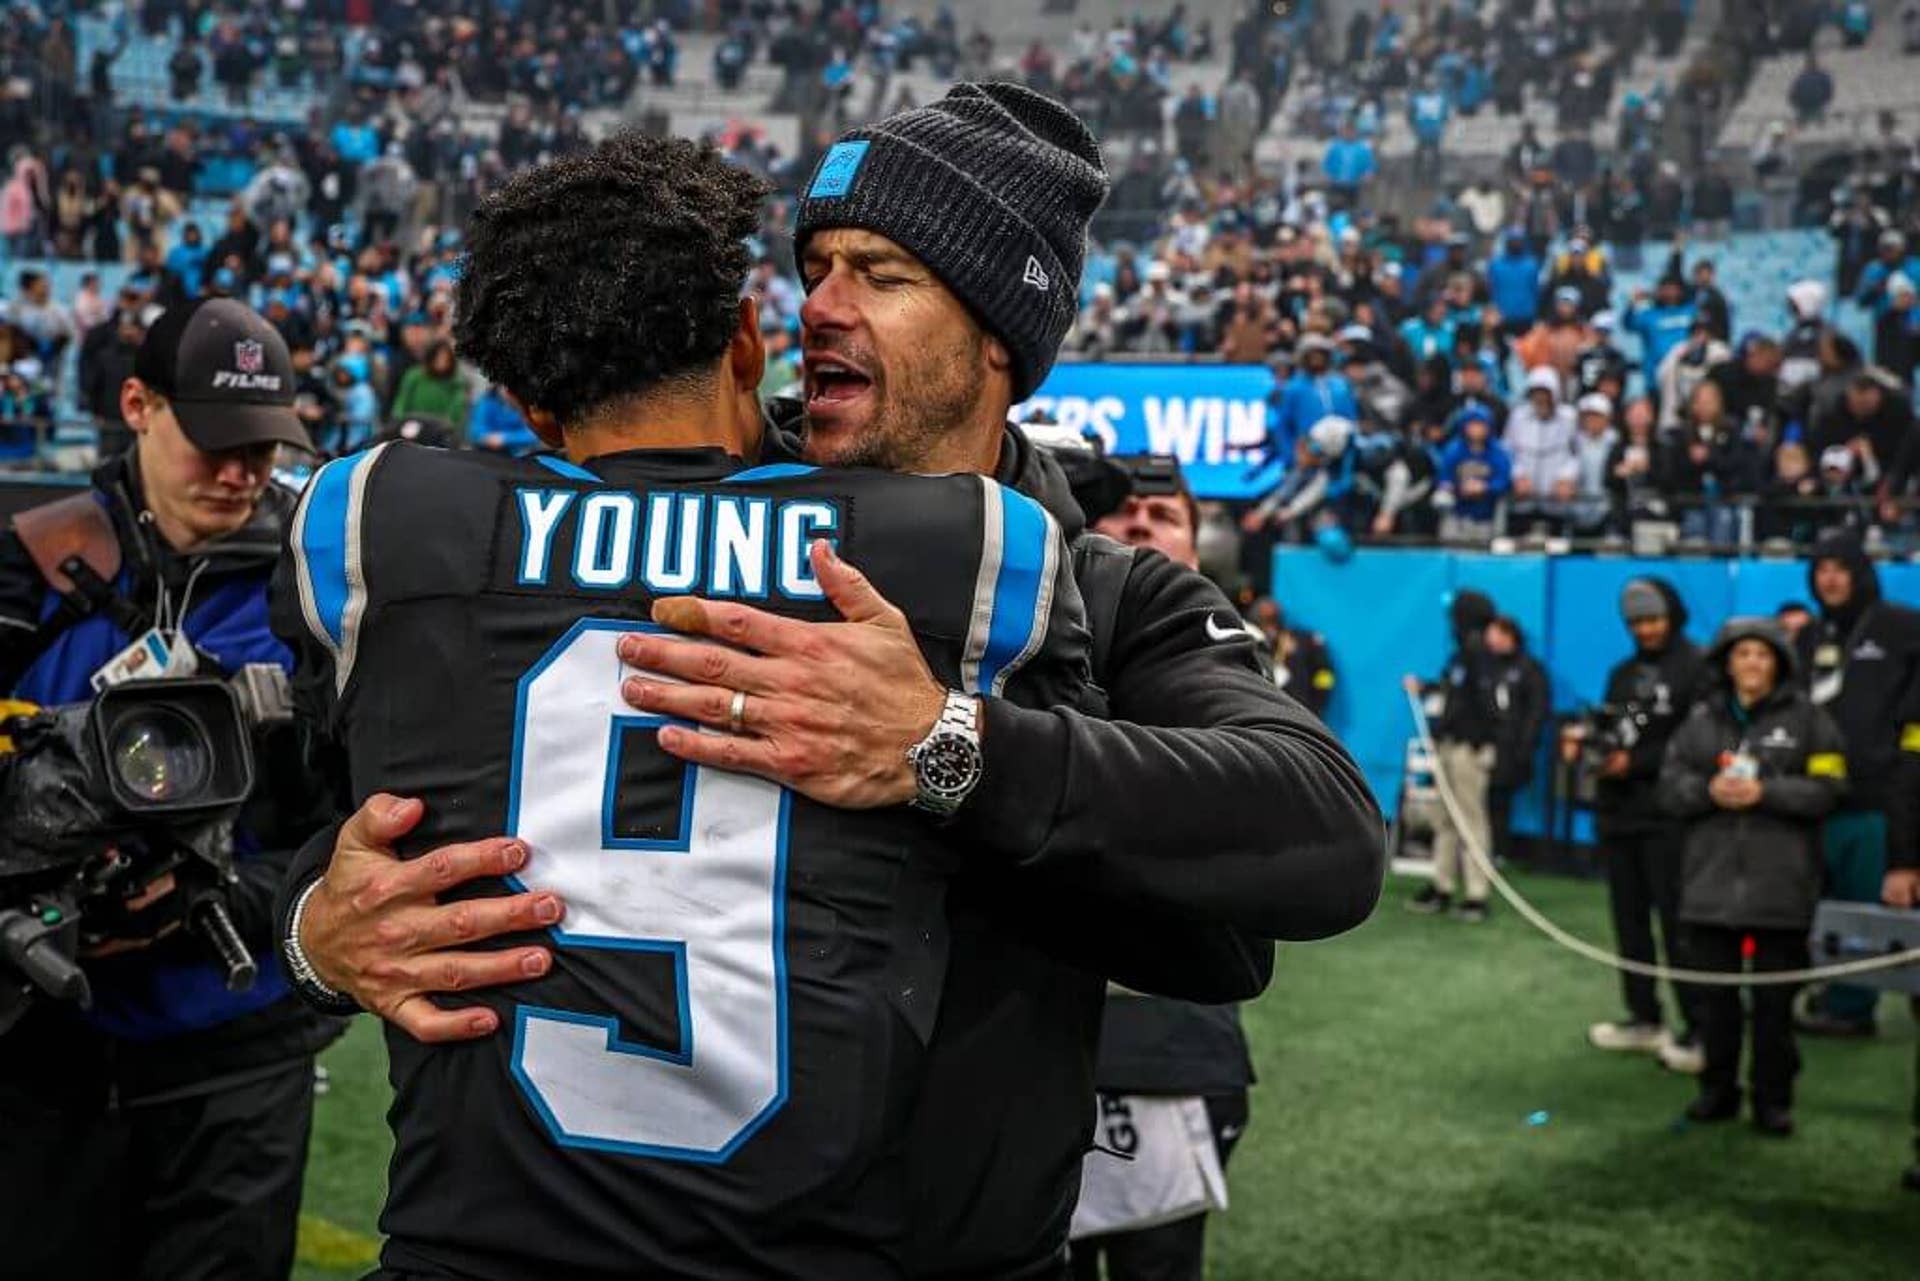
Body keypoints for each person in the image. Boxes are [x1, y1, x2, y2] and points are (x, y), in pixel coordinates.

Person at [275, 86, 1384, 1280]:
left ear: (1001, 333)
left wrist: (950, 747)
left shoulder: (1112, 590)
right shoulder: (643, 512)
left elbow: (1318, 841)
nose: (823, 307)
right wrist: (315, 928)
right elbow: (325, 819)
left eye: (883, 272)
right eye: (815, 265)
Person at [0, 298, 338, 1278]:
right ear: (137, 404)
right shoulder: (30, 567)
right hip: (40, 1049)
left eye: (265, 449)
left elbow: (372, 821)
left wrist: (223, 894)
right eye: (216, 442)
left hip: (237, 1052)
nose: (241, 473)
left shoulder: (320, 586)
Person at [1068, 452, 1255, 1281]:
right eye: (1125, 509)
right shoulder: (1032, 640)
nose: (1141, 521)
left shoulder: (1235, 673)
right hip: (1033, 1039)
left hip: (1174, 1042)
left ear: (1197, 547)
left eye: (1164, 514)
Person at [1661, 617, 1846, 1136]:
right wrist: (1708, 792)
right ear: (1726, 663)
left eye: (1762, 656)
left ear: (1780, 664)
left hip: (1781, 890)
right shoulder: (1699, 723)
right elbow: (1670, 787)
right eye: (1742, 655)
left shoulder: (1813, 722)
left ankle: (1773, 1100)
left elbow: (1832, 788)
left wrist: (1770, 793)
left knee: (1774, 1009)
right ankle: (1716, 1092)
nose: (1751, 665)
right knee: (1714, 1005)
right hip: (1708, 890)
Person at [1793, 530, 1920, 1037]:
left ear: (1861, 572)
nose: (1829, 578)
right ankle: (1835, 995)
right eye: (1821, 568)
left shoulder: (1901, 626)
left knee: (1872, 907)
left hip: (1881, 798)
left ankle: (1853, 1008)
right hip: (1817, 799)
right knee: (1822, 906)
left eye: (1840, 567)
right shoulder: (1810, 636)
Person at [1581, 579, 1708, 1071]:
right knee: (1629, 925)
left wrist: (1632, 765)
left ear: (1672, 615)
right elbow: (1613, 730)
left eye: (1653, 619)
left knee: (1679, 928)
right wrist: (1590, 746)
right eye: (1636, 623)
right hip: (1620, 817)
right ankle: (1643, 1017)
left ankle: (1698, 1028)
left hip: (1670, 819)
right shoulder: (1622, 672)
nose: (1646, 629)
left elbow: (1694, 742)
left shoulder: (1697, 667)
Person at [1407, 590, 1499, 922]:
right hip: (1449, 744)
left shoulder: (1480, 656)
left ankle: (1477, 894)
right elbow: (1455, 694)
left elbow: (1489, 706)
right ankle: (1442, 885)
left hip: (1466, 748)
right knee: (1444, 819)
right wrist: (1427, 688)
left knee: (1471, 821)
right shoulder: (1462, 656)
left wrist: (1479, 742)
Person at [1483, 614, 1548, 869]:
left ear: (1509, 636)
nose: (1490, 640)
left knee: (1500, 801)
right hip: (1485, 745)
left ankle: (1499, 851)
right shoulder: (1488, 666)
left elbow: (1536, 710)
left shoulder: (1529, 669)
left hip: (1511, 749)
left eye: (1495, 633)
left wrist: (1525, 746)